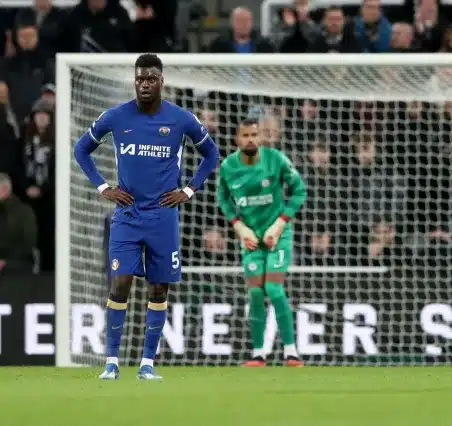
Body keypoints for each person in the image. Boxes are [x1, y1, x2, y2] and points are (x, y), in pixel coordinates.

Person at [73, 54, 220, 380]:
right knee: (120, 283)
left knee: (158, 290)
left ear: (161, 81)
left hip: (163, 217)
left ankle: (147, 364)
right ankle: (111, 362)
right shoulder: (116, 116)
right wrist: (103, 187)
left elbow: (212, 154)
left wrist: (189, 190)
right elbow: (80, 149)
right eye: (140, 78)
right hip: (127, 215)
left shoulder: (181, 119)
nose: (144, 84)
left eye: (151, 79)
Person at [217, 120, 307, 367]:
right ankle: (258, 353)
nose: (251, 139)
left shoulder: (275, 159)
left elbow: (299, 190)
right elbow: (223, 199)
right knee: (255, 292)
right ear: (237, 139)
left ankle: (291, 351)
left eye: (254, 134)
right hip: (250, 238)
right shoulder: (228, 167)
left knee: (274, 289)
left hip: (277, 235)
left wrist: (280, 224)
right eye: (245, 135)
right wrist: (239, 226)